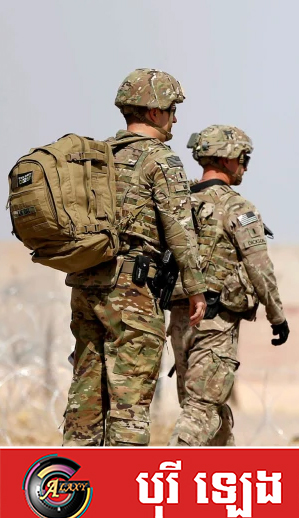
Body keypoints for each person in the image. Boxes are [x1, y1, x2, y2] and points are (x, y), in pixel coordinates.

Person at [63, 68, 207, 446]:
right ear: (155, 112)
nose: (175, 119)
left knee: (84, 401)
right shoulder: (161, 159)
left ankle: (71, 478)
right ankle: (121, 482)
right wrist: (195, 289)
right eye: (172, 110)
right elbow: (179, 230)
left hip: (85, 284)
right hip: (131, 291)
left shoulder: (98, 156)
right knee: (130, 401)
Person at [166, 124, 289, 446]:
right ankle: (171, 468)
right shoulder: (238, 208)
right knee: (201, 407)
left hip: (179, 318)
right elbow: (259, 267)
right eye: (243, 159)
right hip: (215, 321)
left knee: (210, 406)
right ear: (228, 159)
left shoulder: (178, 204)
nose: (245, 167)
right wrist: (277, 316)